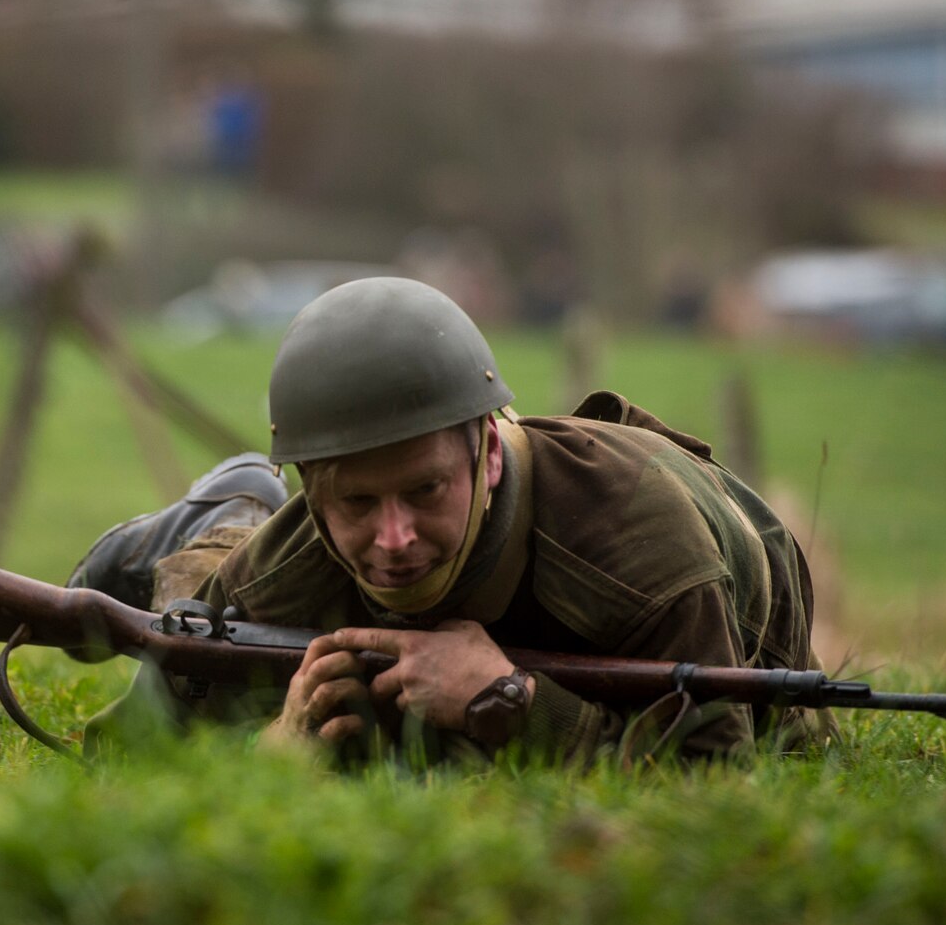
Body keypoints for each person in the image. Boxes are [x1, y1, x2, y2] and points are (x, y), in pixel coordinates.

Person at [72, 277, 831, 767]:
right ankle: (227, 517)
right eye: (358, 504)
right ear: (310, 491)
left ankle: (232, 510)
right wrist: (277, 749)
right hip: (273, 559)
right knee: (213, 606)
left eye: (426, 490)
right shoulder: (286, 566)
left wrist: (512, 703)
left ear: (489, 455)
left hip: (737, 575)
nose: (394, 538)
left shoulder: (645, 557)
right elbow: (119, 759)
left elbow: (715, 777)